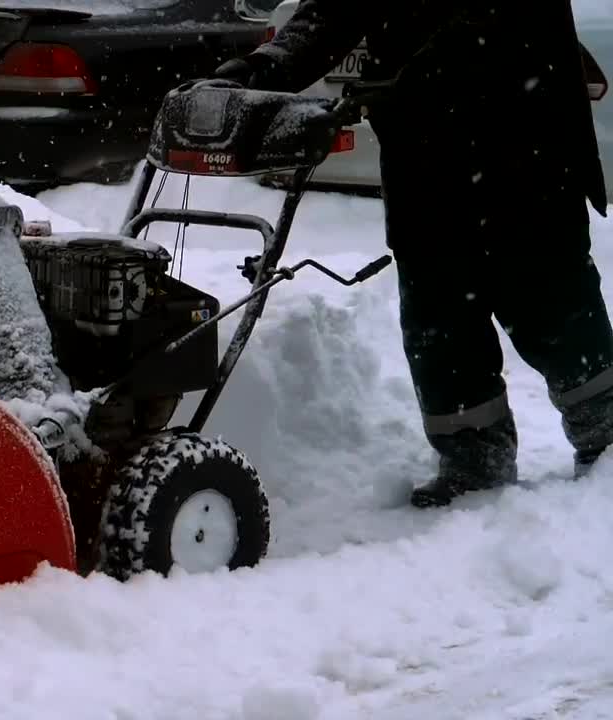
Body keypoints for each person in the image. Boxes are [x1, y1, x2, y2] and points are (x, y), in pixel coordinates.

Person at [210, 0, 613, 507]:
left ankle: (606, 439)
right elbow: (333, 11)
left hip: (526, 143)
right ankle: (473, 459)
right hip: (424, 156)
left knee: (552, 304)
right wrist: (263, 68)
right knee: (440, 319)